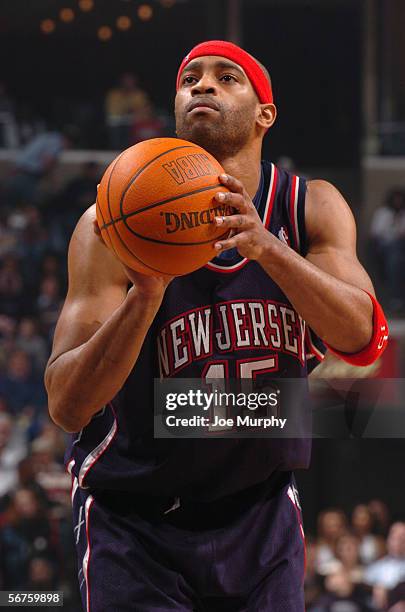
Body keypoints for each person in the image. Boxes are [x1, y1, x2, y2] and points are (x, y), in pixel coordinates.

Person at [45, 40, 389, 611]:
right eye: (189, 79)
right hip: (135, 521)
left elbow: (364, 340)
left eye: (226, 77)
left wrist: (268, 250)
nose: (201, 85)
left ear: (264, 114)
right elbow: (66, 405)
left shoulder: (309, 209)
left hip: (260, 514)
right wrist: (146, 295)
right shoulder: (111, 222)